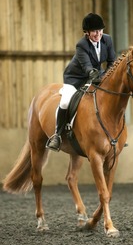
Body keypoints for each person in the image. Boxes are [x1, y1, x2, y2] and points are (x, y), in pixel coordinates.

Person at [46, 13, 116, 151]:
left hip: (97, 75)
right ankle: (57, 135)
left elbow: (112, 61)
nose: (98, 34)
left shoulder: (107, 40)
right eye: (94, 31)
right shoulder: (81, 45)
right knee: (65, 101)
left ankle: (114, 134)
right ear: (87, 32)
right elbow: (87, 67)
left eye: (100, 30)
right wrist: (93, 74)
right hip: (76, 78)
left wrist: (107, 77)